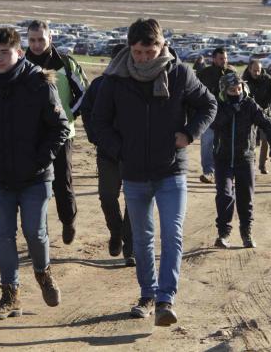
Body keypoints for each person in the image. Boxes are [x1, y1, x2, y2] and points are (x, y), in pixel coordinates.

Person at [93, 18, 216, 326]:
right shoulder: (115, 78)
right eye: (138, 52)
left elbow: (208, 105)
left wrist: (189, 134)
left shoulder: (180, 74)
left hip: (171, 170)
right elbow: (98, 122)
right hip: (134, 173)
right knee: (143, 237)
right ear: (129, 48)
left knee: (172, 234)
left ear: (162, 46)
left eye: (150, 51)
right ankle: (147, 295)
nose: (144, 58)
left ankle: (165, 300)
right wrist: (121, 150)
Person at [0, 27, 70, 320]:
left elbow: (60, 127)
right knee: (3, 235)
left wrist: (40, 160)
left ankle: (43, 273)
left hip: (35, 178)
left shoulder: (38, 83)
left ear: (19, 52)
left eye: (5, 52)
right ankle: (10, 294)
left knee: (35, 233)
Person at [25, 20, 88, 245]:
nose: (36, 44)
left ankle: (68, 219)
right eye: (32, 39)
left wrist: (69, 115)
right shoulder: (20, 64)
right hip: (29, 135)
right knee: (31, 185)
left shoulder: (66, 64)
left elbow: (84, 94)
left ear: (50, 38)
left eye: (41, 39)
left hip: (62, 134)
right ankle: (39, 231)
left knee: (62, 183)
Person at [80, 43, 134, 266]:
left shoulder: (138, 85)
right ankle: (116, 231)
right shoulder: (99, 85)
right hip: (107, 153)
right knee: (107, 197)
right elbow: (86, 110)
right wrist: (95, 137)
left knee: (134, 200)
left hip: (133, 154)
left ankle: (130, 248)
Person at [211, 73, 271, 249]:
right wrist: (229, 111)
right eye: (232, 90)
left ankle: (246, 233)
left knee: (245, 197)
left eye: (239, 89)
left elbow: (267, 123)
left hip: (245, 158)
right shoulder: (218, 105)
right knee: (225, 195)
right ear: (224, 91)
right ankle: (223, 234)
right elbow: (213, 123)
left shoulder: (250, 105)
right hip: (223, 158)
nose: (237, 92)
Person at [195, 47, 235, 183]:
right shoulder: (204, 73)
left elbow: (240, 93)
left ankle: (226, 172)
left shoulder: (232, 73)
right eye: (221, 58)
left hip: (228, 115)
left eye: (225, 58)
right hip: (208, 115)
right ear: (214, 59)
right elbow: (194, 92)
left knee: (227, 144)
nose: (224, 61)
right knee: (207, 144)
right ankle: (208, 172)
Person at [242, 58, 271, 174]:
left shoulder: (267, 79)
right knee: (250, 141)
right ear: (249, 69)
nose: (257, 73)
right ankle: (250, 164)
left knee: (265, 140)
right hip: (249, 115)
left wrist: (268, 104)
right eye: (254, 70)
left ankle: (262, 165)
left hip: (264, 113)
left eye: (259, 70)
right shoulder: (244, 80)